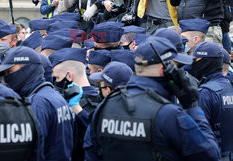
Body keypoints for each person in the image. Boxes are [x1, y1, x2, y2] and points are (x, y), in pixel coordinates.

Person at [84, 36, 220, 161]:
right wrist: (192, 106)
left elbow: (90, 153)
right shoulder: (167, 114)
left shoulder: (105, 107)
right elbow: (210, 155)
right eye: (177, 67)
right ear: (164, 70)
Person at [0, 46, 76, 161]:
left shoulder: (37, 103)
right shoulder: (57, 97)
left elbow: (32, 150)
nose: (7, 77)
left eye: (9, 71)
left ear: (27, 69)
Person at [50, 48, 99, 161]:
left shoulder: (77, 104)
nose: (56, 81)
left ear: (69, 76)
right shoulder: (101, 96)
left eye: (57, 77)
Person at [191, 42, 233, 160]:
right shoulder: (229, 86)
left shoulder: (205, 93)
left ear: (207, 62)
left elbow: (198, 136)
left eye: (196, 60)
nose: (194, 64)